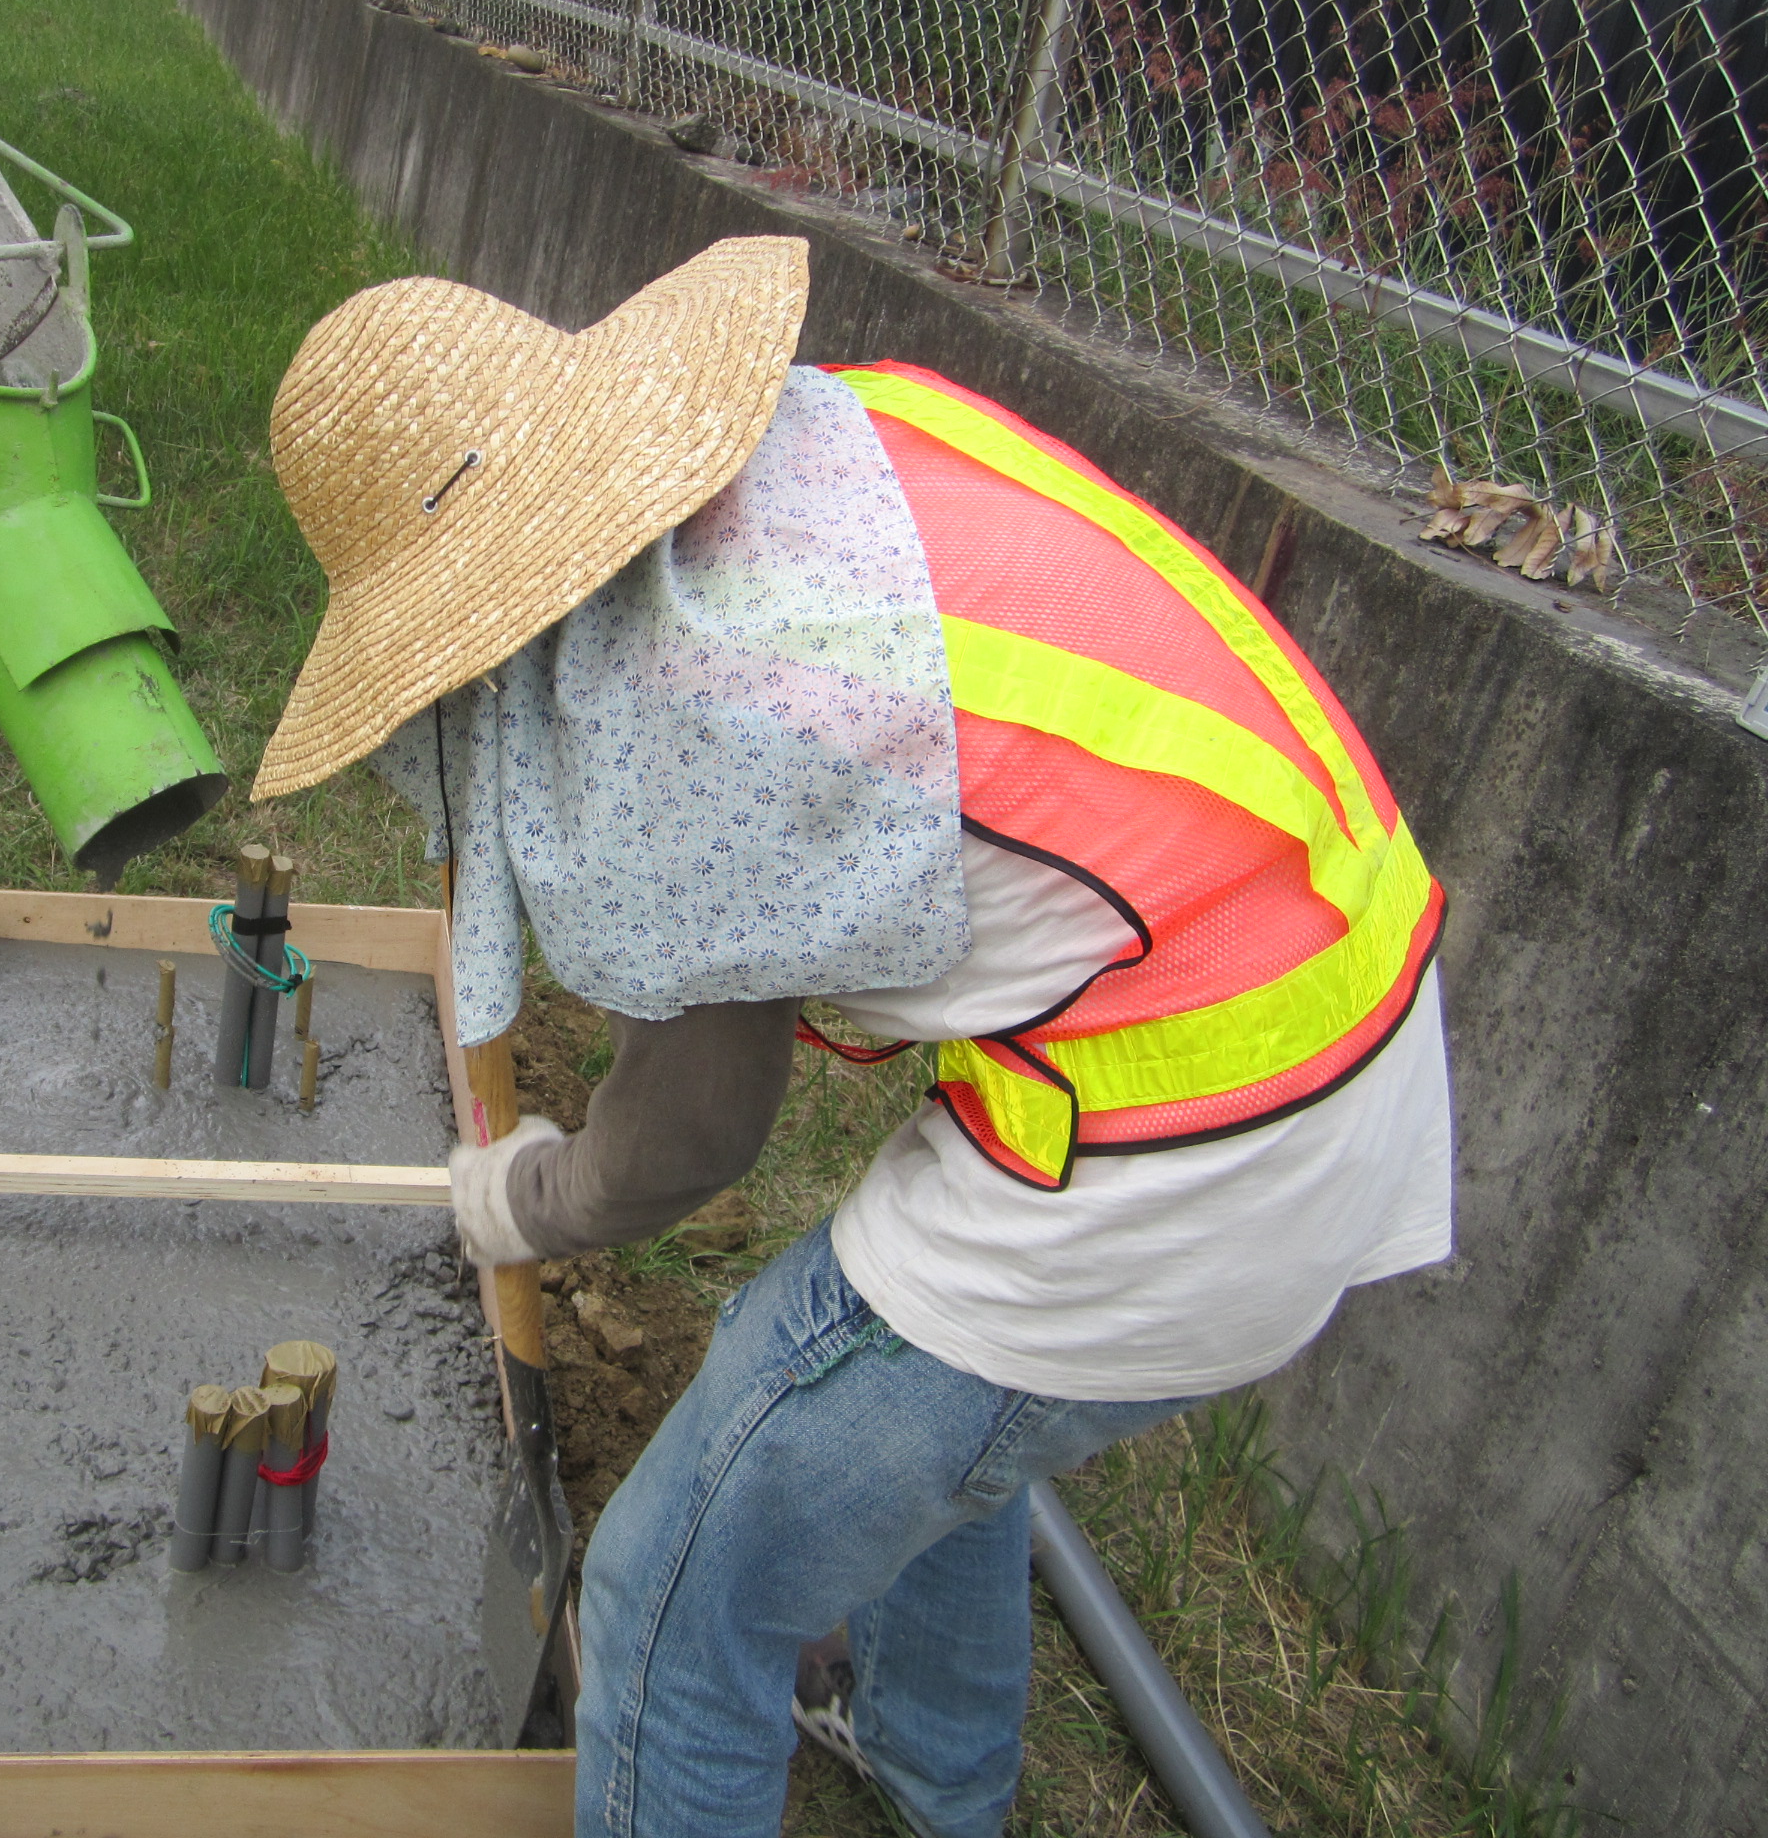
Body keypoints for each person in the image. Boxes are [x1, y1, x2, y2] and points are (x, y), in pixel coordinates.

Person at [249, 235, 1452, 1838]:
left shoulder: (696, 711)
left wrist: (520, 1197)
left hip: (1187, 1144)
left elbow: (689, 1142)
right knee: (934, 1453)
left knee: (673, 1590)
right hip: (1323, 988)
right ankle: (933, 1768)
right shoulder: (839, 439)